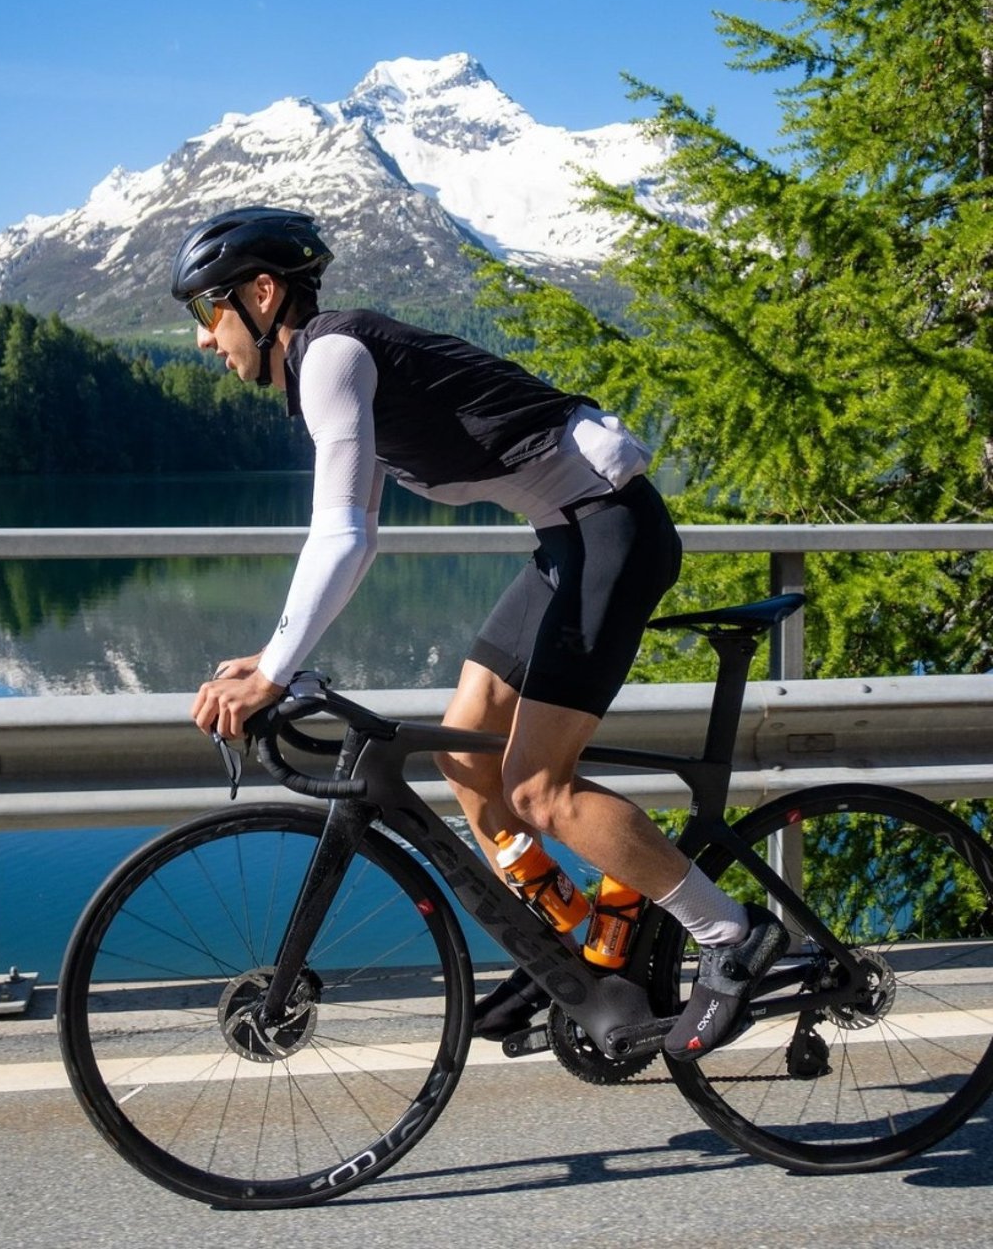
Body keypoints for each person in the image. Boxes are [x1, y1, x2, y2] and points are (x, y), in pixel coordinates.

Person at [175, 205, 787, 1061]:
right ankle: (574, 948)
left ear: (264, 294)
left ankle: (731, 936)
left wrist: (276, 671)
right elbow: (355, 532)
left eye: (208, 310)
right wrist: (274, 657)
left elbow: (343, 537)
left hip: (611, 532)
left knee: (537, 789)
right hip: (568, 539)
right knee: (466, 758)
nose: (205, 337)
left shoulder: (334, 355)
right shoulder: (333, 362)